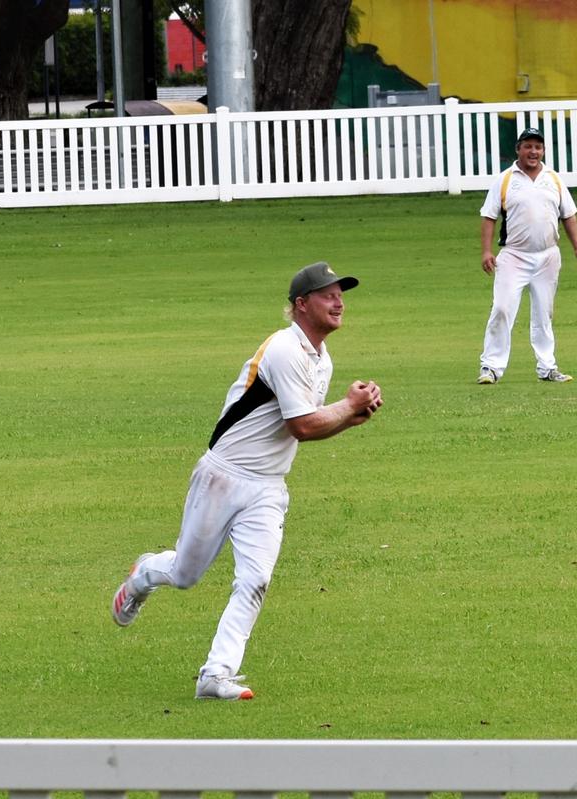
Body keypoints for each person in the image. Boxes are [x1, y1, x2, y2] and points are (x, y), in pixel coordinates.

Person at [110, 262, 382, 701]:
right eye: (328, 294)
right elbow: (304, 427)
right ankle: (144, 574)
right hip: (224, 476)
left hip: (268, 488)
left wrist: (352, 418)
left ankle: (215, 674)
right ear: (301, 305)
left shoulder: (321, 360)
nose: (339, 301)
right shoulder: (283, 349)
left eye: (341, 293)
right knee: (184, 574)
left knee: (255, 581)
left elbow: (307, 427)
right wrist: (347, 406)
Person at [476, 126, 577, 385]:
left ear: (543, 151)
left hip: (548, 256)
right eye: (528, 146)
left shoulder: (553, 178)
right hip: (514, 256)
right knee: (503, 308)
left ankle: (547, 367)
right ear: (518, 149)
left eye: (537, 147)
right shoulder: (506, 179)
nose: (533, 152)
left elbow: (568, 214)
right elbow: (489, 216)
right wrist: (486, 251)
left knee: (544, 313)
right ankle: (491, 367)